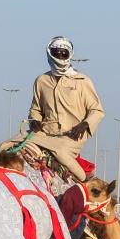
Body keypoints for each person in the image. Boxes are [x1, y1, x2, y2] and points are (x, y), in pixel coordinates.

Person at [24, 36, 104, 181]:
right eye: (56, 53)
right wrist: (34, 120)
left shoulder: (82, 81)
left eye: (64, 53)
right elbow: (35, 109)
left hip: (71, 136)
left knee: (60, 153)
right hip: (44, 133)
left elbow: (97, 110)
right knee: (8, 145)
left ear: (69, 55)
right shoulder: (41, 81)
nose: (60, 56)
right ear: (50, 54)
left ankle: (83, 181)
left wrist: (85, 124)